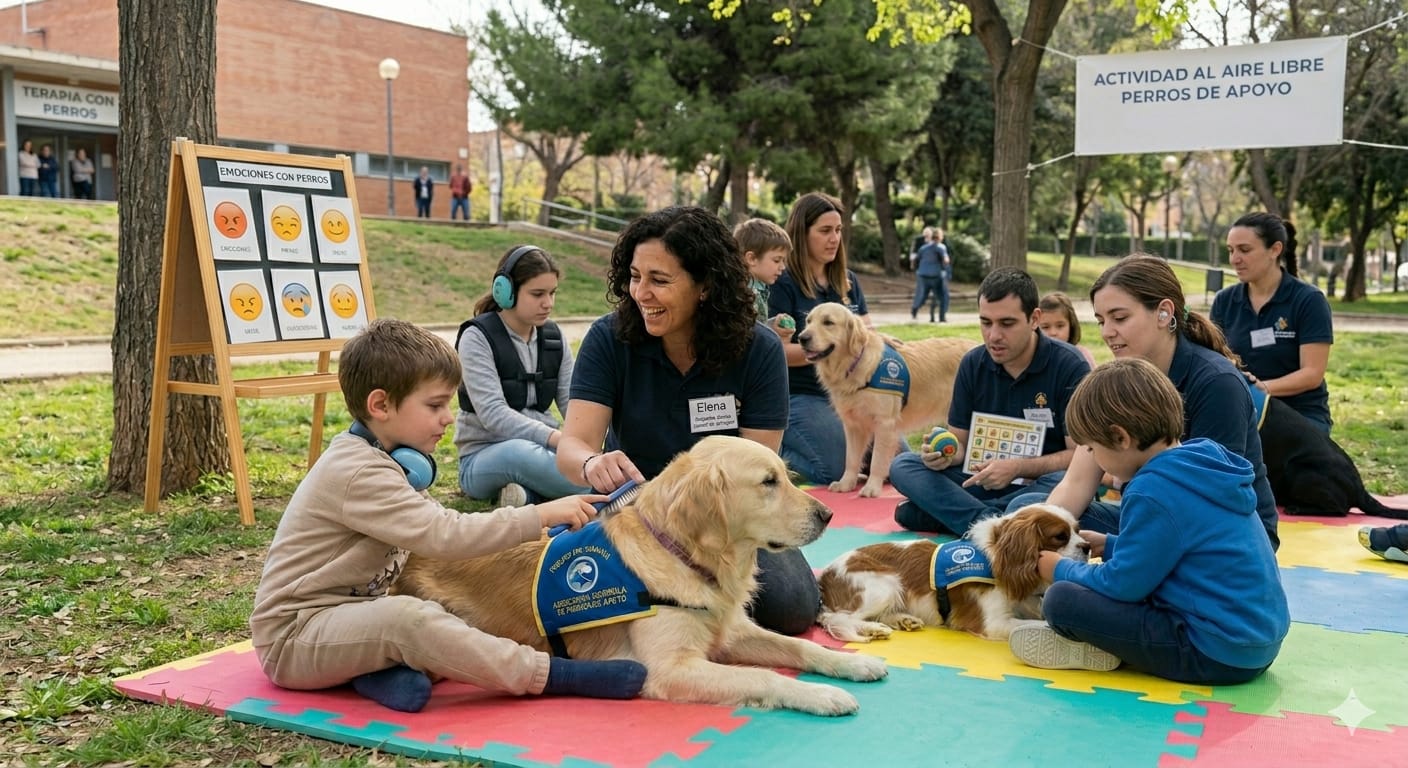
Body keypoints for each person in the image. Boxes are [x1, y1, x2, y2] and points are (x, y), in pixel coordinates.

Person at [250, 319, 645, 714]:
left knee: (439, 620)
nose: (448, 418)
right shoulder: (358, 471)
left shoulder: (391, 461)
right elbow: (443, 535)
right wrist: (536, 515)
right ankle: (549, 675)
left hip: (346, 617)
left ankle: (374, 671)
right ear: (381, 405)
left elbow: (442, 533)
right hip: (294, 637)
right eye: (435, 405)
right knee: (409, 619)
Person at [554, 206, 818, 635]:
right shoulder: (608, 338)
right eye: (636, 277)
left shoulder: (760, 349)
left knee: (792, 608)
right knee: (596, 604)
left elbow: (761, 465)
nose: (641, 293)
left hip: (726, 520)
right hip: (633, 513)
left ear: (705, 286)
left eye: (659, 280)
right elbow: (573, 447)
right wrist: (590, 464)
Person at [1009, 358, 1289, 684]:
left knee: (1062, 600)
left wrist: (1057, 568)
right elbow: (1175, 550)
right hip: (1258, 645)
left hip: (1213, 653)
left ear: (1120, 438)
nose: (1095, 459)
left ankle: (1101, 648)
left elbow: (1123, 585)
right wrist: (1112, 545)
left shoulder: (1151, 489)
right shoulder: (1200, 459)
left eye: (1092, 448)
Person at [1012, 255, 1281, 550]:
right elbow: (1076, 483)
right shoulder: (1118, 379)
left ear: (1164, 313)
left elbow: (1210, 503)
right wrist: (1031, 543)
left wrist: (1117, 546)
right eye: (1101, 321)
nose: (1106, 332)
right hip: (1153, 515)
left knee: (1069, 591)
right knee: (1034, 510)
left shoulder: (1217, 383)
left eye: (1120, 318)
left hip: (1222, 539)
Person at [890, 268, 1090, 537]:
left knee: (1040, 495)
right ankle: (996, 525)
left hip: (1041, 484)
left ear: (1034, 319)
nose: (993, 335)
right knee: (904, 466)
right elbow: (959, 444)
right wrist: (942, 454)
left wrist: (1018, 467)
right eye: (986, 322)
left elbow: (1079, 455)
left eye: (1007, 324)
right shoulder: (972, 363)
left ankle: (960, 517)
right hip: (979, 479)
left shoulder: (1070, 365)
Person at [454, 244, 588, 507]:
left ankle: (527, 496)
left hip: (544, 450)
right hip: (483, 457)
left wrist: (584, 445)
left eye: (552, 293)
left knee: (551, 458)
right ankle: (615, 490)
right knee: (519, 453)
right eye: (537, 294)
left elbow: (573, 404)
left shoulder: (554, 337)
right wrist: (557, 439)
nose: (548, 303)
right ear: (506, 292)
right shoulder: (477, 337)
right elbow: (493, 414)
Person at [768, 192, 870, 485]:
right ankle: (772, 447)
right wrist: (832, 349)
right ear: (802, 234)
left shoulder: (848, 281)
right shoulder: (781, 283)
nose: (834, 239)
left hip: (850, 393)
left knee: (893, 459)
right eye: (825, 231)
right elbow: (777, 352)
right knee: (837, 468)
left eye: (838, 230)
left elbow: (867, 336)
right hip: (801, 395)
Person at [1211, 212, 1333, 432]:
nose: (1234, 259)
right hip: (1242, 409)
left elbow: (1312, 374)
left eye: (1244, 250)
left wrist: (1261, 389)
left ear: (1275, 250)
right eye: (1231, 250)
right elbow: (1215, 361)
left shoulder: (1308, 300)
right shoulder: (1224, 301)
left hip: (1301, 413)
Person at [732, 217, 791, 328]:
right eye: (777, 260)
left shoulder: (758, 288)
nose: (783, 267)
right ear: (752, 258)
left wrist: (772, 325)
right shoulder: (748, 295)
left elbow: (757, 326)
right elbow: (750, 334)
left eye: (784, 261)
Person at [1039, 292, 1097, 369]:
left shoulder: (1082, 356)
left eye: (1060, 326)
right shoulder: (1033, 358)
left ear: (1071, 325)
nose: (1053, 333)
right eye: (1045, 327)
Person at [910, 227, 946, 323]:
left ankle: (915, 309)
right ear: (940, 237)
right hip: (935, 275)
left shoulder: (923, 248)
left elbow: (917, 259)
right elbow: (946, 260)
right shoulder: (941, 247)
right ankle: (940, 318)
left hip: (922, 274)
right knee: (940, 296)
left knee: (922, 296)